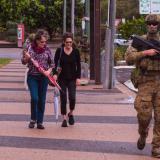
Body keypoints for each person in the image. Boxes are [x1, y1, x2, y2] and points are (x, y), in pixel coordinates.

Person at [125, 14, 160, 158]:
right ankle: (143, 134)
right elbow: (128, 58)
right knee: (144, 116)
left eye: (155, 23)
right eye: (150, 23)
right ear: (146, 25)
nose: (152, 26)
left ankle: (157, 148)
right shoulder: (140, 41)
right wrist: (146, 52)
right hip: (145, 82)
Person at [21, 29, 54, 129]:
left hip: (44, 77)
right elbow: (23, 61)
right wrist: (26, 58)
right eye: (42, 42)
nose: (44, 44)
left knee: (42, 99)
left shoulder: (47, 49)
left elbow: (52, 63)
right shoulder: (29, 48)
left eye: (45, 42)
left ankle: (40, 122)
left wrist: (49, 71)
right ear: (37, 41)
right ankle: (33, 119)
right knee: (35, 98)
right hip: (32, 77)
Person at [53, 32, 81, 127]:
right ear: (64, 42)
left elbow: (79, 65)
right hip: (62, 79)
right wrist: (55, 74)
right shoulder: (59, 51)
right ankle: (64, 118)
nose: (69, 44)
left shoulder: (76, 52)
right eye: (67, 42)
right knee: (63, 98)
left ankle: (71, 113)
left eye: (70, 42)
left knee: (72, 98)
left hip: (72, 78)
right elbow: (55, 64)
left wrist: (78, 78)